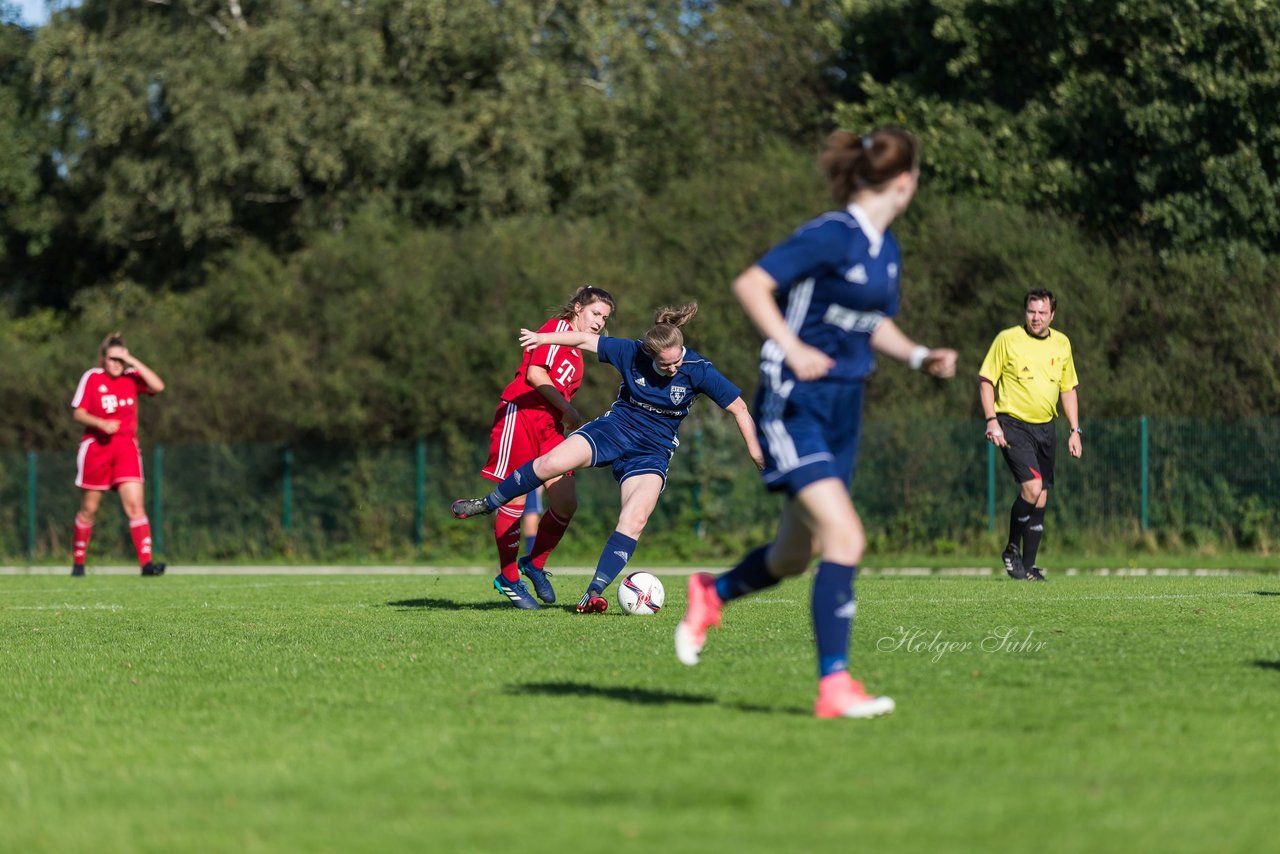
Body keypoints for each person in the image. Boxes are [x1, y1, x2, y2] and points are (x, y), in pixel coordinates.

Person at [672, 128, 958, 720]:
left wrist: (916, 355)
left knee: (792, 556)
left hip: (844, 408)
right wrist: (791, 347)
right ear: (906, 180)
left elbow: (869, 323)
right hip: (794, 400)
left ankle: (710, 592)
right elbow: (751, 285)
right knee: (847, 539)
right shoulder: (832, 234)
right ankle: (834, 686)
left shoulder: (887, 249)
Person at [452, 302, 764, 613]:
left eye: (678, 361)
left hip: (652, 452)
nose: (674, 369)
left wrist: (755, 452)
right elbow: (583, 340)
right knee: (550, 464)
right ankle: (486, 503)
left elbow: (739, 408)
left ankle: (593, 593)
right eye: (666, 364)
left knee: (634, 519)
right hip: (613, 430)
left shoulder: (697, 369)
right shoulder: (631, 352)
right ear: (651, 355)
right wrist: (543, 339)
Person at [475, 285, 616, 609]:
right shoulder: (557, 329)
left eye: (604, 318)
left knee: (566, 502)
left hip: (548, 427)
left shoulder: (578, 354)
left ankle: (534, 564)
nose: (599, 322)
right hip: (522, 414)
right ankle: (509, 577)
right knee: (514, 497)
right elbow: (535, 374)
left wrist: (563, 413)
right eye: (595, 313)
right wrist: (567, 409)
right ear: (578, 307)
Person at [978, 288, 1081, 581]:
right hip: (1012, 423)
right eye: (1031, 312)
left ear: (1052, 315)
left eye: (1042, 313)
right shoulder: (1007, 339)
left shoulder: (1062, 343)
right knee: (1033, 487)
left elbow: (1068, 388)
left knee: (1042, 496)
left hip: (1046, 427)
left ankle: (1029, 567)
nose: (1036, 318)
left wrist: (1075, 430)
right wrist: (991, 420)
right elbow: (986, 380)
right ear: (1025, 312)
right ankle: (1011, 549)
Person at [70, 332, 167, 577]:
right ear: (103, 358)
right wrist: (101, 424)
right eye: (112, 358)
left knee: (136, 506)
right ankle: (78, 563)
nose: (116, 364)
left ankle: (146, 564)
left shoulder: (131, 377)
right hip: (97, 447)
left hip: (126, 448)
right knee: (89, 509)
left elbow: (158, 386)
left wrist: (131, 359)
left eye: (120, 359)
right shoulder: (92, 377)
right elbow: (78, 413)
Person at [521, 487, 544, 557]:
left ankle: (530, 562)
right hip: (509, 483)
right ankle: (505, 563)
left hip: (531, 488)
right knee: (507, 527)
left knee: (531, 528)